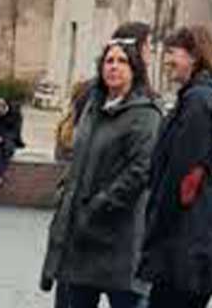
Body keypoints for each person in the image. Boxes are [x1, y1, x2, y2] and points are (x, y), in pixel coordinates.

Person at [138, 24, 212, 307]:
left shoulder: (198, 101)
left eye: (172, 53)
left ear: (194, 56)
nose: (167, 61)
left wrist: (156, 224)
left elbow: (183, 170)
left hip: (188, 233)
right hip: (203, 227)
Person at [42, 38, 161, 308]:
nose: (114, 67)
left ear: (135, 70)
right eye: (109, 61)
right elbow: (77, 159)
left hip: (120, 236)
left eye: (122, 62)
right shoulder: (92, 109)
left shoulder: (145, 114)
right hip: (81, 237)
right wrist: (64, 193)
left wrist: (100, 205)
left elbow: (141, 170)